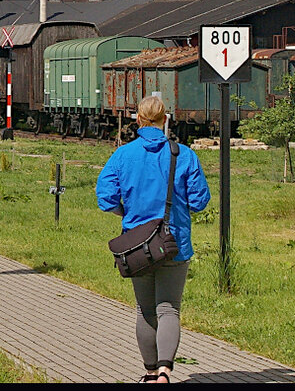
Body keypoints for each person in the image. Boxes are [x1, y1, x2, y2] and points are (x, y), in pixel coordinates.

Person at [96, 95, 211, 383]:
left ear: (138, 120)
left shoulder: (123, 155)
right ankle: (164, 371)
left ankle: (148, 372)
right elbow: (199, 201)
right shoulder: (183, 155)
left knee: (145, 309)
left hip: (137, 245)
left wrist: (127, 212)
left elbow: (105, 197)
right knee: (169, 307)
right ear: (165, 119)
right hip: (175, 242)